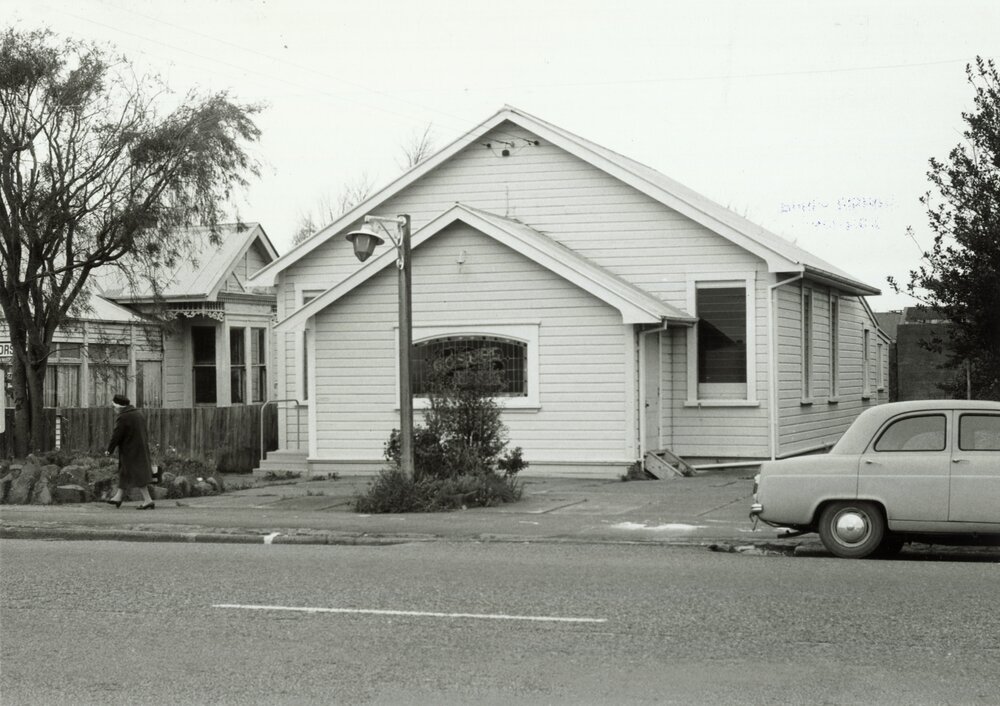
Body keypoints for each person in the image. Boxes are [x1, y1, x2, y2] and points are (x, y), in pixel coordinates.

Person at [104, 394, 155, 510]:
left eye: (114, 406)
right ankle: (118, 497)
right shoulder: (138, 413)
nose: (113, 409)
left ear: (119, 406)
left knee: (137, 474)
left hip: (130, 450)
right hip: (140, 448)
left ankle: (148, 500)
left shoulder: (123, 417)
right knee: (124, 472)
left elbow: (117, 435)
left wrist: (109, 450)